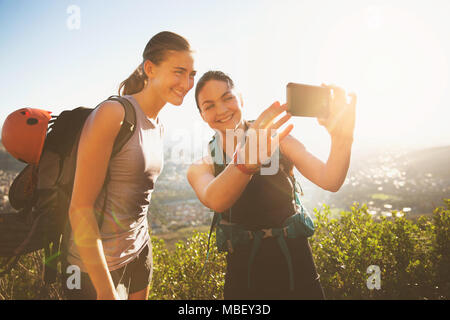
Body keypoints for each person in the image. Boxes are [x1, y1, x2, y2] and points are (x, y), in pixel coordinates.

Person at [187, 71, 356, 299]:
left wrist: (342, 137)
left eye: (228, 98)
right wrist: (246, 162)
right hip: (244, 279)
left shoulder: (278, 139)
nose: (222, 110)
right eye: (209, 106)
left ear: (241, 99)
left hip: (297, 269)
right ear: (202, 115)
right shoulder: (202, 166)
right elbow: (216, 199)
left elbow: (330, 179)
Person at [64, 31, 196, 300]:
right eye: (179, 72)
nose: (187, 82)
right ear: (150, 68)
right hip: (94, 268)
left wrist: (142, 252)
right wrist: (105, 290)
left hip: (138, 254)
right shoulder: (114, 114)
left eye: (192, 74)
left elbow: (138, 197)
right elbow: (79, 207)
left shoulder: (158, 125)